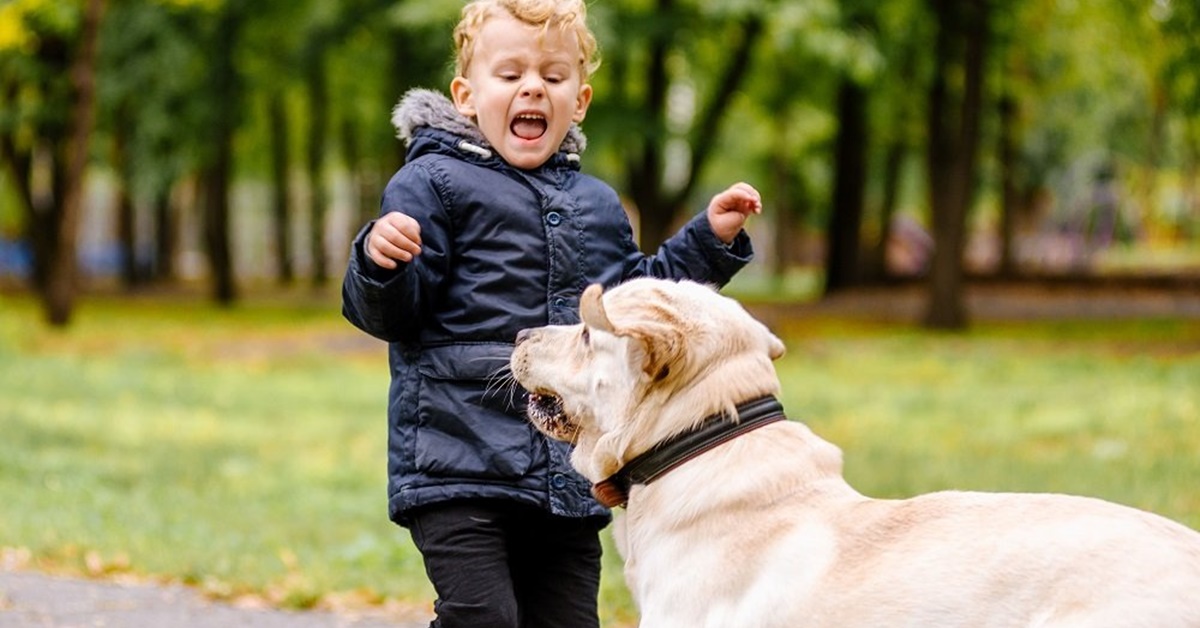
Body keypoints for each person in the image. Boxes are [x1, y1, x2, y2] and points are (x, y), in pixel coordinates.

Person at [341, 0, 762, 626]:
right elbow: (393, 317)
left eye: (553, 76)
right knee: (482, 617)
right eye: (509, 75)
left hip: (566, 472)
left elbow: (638, 308)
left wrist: (707, 241)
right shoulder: (432, 184)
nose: (532, 87)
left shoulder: (597, 205)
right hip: (460, 462)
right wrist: (380, 265)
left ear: (580, 100)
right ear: (466, 95)